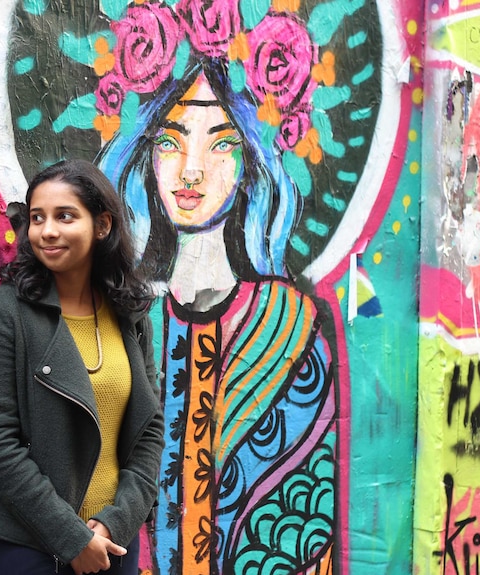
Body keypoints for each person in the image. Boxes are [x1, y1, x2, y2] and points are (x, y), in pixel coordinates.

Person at [97, 59, 339, 573]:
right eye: (169, 141)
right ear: (144, 156)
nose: (190, 170)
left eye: (221, 143)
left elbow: (302, 524)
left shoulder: (291, 327)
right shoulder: (126, 311)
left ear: (252, 159)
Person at [0, 159, 164, 575]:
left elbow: (150, 430)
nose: (46, 231)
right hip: (27, 540)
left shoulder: (130, 315)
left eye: (64, 216)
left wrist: (116, 521)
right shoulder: (3, 313)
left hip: (112, 540)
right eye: (37, 218)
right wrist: (72, 539)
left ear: (102, 225)